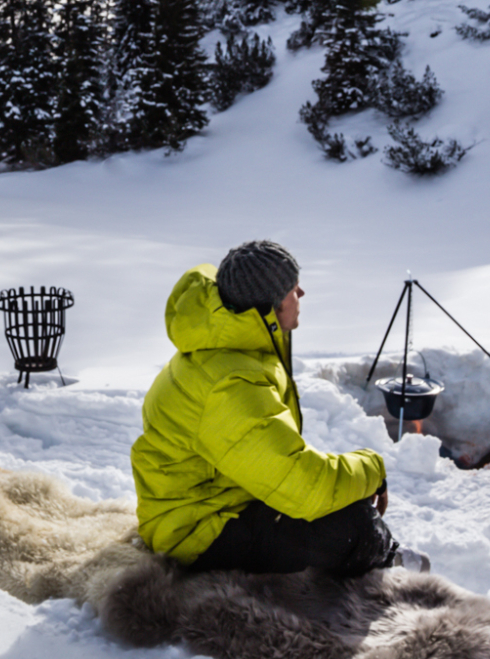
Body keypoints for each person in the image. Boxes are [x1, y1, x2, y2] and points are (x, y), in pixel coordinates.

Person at [131, 240, 427, 576]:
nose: (301, 293)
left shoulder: (231, 341)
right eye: (292, 288)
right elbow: (304, 487)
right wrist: (373, 470)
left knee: (338, 493)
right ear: (269, 307)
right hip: (194, 532)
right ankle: (392, 566)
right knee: (349, 523)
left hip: (221, 496)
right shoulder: (231, 385)